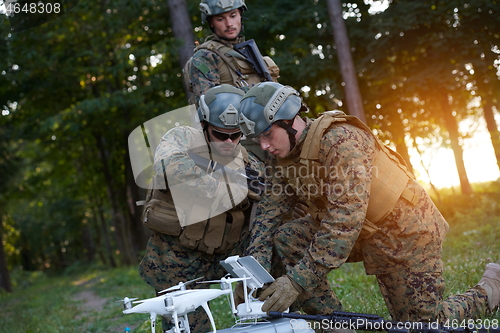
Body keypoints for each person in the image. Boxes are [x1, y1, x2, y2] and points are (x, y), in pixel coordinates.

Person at [237, 81, 500, 323]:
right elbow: (268, 218)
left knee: (422, 325)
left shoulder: (340, 141)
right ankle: (334, 324)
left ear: (288, 120)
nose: (264, 146)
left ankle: (490, 289)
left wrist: (296, 282)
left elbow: (344, 220)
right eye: (257, 140)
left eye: (267, 134)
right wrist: (251, 276)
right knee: (288, 236)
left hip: (406, 232)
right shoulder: (282, 159)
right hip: (365, 233)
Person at [138, 84, 265, 333]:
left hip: (228, 253)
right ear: (204, 125)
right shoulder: (182, 138)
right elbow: (168, 166)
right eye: (220, 134)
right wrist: (229, 190)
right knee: (186, 327)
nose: (229, 141)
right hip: (179, 256)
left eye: (236, 134)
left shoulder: (250, 162)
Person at [185, 0, 280, 107]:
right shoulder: (205, 56)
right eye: (220, 19)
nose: (229, 24)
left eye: (233, 16)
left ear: (240, 15)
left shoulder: (247, 51)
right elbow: (209, 106)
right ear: (211, 23)